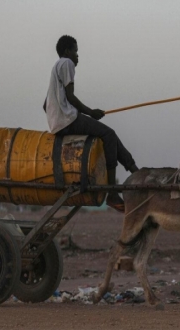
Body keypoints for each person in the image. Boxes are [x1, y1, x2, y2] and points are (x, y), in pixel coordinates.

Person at [43, 35, 138, 212]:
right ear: (67, 51)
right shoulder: (66, 64)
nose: (77, 56)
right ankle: (112, 192)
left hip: (60, 122)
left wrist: (57, 118)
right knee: (108, 134)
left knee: (110, 135)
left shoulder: (54, 70)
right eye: (76, 51)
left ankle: (134, 169)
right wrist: (91, 113)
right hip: (67, 121)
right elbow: (70, 97)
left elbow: (45, 105)